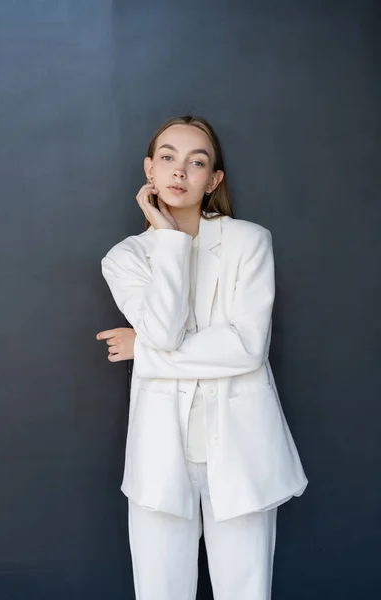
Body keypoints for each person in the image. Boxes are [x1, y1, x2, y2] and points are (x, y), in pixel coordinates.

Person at [96, 115, 308, 600]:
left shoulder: (249, 241)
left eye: (197, 162)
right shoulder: (126, 257)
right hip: (158, 458)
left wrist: (142, 351)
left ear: (213, 180)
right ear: (150, 170)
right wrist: (168, 238)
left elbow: (247, 348)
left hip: (243, 453)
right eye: (168, 158)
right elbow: (166, 331)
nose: (180, 171)